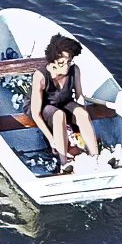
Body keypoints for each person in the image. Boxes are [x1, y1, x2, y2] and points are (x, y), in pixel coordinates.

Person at [30, 35, 102, 174]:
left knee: (82, 113)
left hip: (65, 102)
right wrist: (51, 140)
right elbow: (35, 114)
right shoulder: (40, 76)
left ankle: (95, 158)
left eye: (69, 62)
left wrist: (82, 118)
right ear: (54, 61)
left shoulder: (75, 70)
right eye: (64, 62)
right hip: (47, 107)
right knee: (58, 115)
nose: (68, 66)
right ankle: (64, 163)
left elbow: (79, 96)